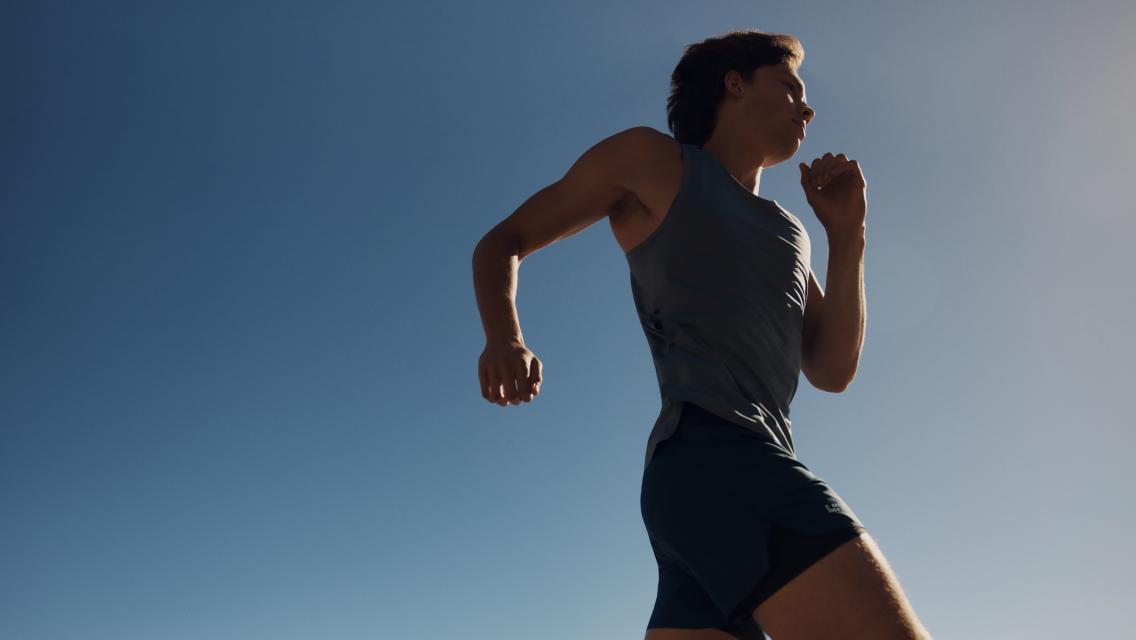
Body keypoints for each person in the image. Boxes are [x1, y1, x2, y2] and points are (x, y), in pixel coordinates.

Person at [471, 28, 933, 640]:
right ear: (735, 84)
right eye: (790, 87)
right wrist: (505, 336)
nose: (808, 106)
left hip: (700, 492)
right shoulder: (653, 162)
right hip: (716, 456)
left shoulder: (789, 232)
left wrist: (847, 238)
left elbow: (831, 369)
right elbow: (503, 242)